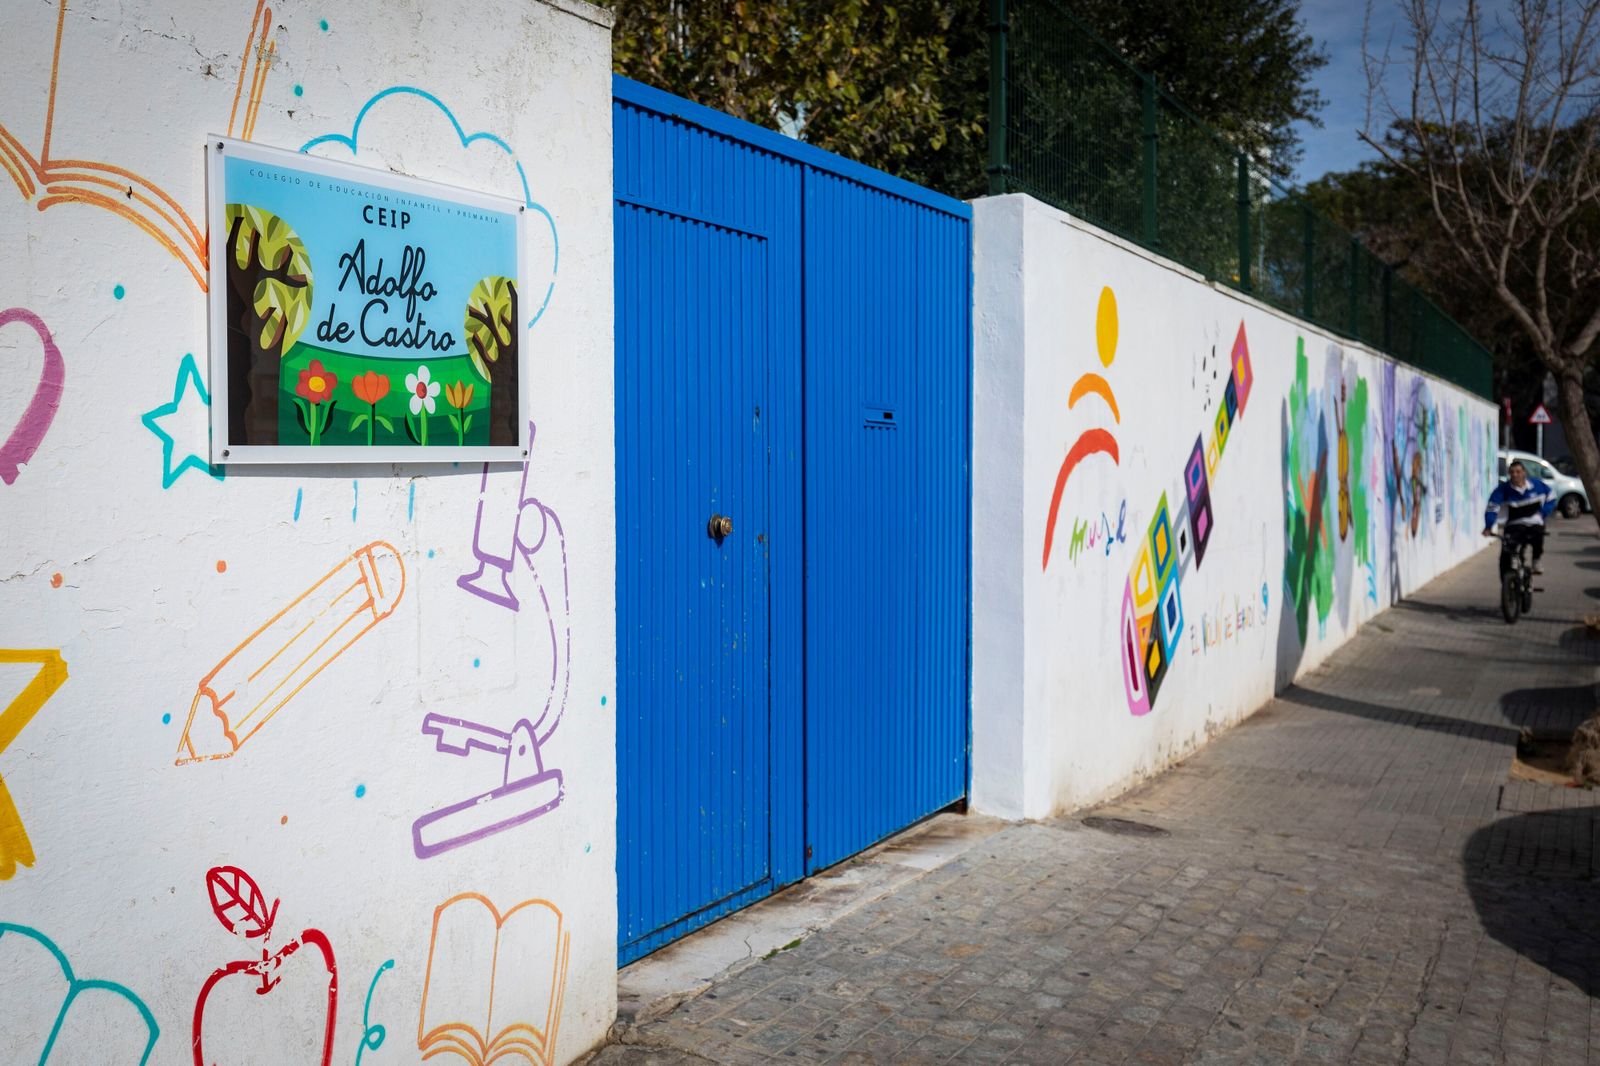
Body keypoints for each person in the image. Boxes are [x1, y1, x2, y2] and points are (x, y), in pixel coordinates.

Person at [1483, 459, 1556, 573]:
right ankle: (1506, 584)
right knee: (1506, 553)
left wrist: (1543, 513)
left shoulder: (1537, 485)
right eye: (1512, 472)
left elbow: (1551, 496)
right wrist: (1488, 526)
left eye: (1518, 471)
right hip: (1514, 524)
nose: (1515, 475)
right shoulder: (1503, 490)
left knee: (1538, 537)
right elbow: (1492, 507)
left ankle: (1536, 560)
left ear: (1524, 473)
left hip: (1535, 523)